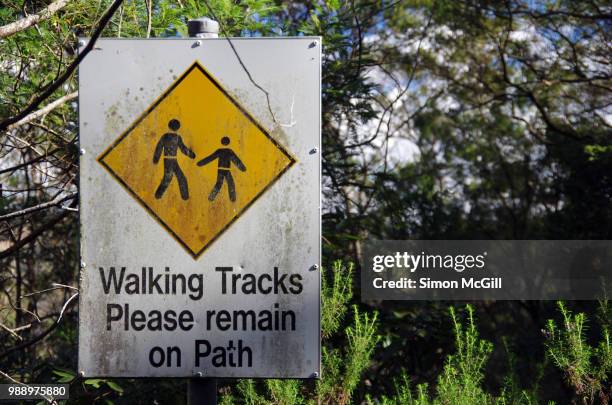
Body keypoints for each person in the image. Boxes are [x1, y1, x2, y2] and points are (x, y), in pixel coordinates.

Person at [153, 119, 195, 200]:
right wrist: (192, 155)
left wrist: (156, 159)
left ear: (169, 126)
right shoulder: (177, 137)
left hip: (171, 161)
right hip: (169, 161)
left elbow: (159, 147)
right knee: (168, 179)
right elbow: (183, 149)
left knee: (180, 178)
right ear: (178, 128)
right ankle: (158, 195)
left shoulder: (166, 136)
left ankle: (185, 197)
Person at [197, 136, 246, 202]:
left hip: (220, 170)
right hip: (226, 170)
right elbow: (236, 160)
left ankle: (211, 197)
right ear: (228, 142)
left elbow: (210, 158)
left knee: (219, 183)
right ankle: (232, 198)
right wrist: (242, 168)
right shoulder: (229, 151)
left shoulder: (220, 151)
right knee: (230, 183)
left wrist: (201, 163)